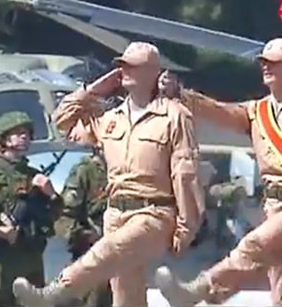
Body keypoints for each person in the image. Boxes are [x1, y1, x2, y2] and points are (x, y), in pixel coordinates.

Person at [12, 41, 204, 307]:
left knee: (106, 251)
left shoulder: (174, 116)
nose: (124, 70)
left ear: (152, 72)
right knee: (125, 291)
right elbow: (62, 121)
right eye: (122, 65)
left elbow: (186, 172)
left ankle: (55, 292)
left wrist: (187, 226)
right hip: (114, 213)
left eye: (132, 66)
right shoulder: (111, 118)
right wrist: (91, 90)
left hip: (153, 212)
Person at [153, 38, 282, 307]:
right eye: (264, 62)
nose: (266, 67)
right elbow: (219, 111)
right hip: (273, 205)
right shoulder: (257, 111)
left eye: (274, 63)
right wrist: (181, 94)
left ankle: (201, 289)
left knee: (255, 243)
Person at [0, 112, 62, 306]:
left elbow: (55, 215)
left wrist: (51, 194)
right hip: (3, 259)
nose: (24, 137)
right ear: (4, 139)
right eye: (17, 133)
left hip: (31, 257)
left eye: (27, 133)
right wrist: (0, 230)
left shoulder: (33, 175)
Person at [55, 147, 110, 307]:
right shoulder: (84, 171)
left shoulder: (123, 171)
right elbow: (65, 216)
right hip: (92, 254)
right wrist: (84, 236)